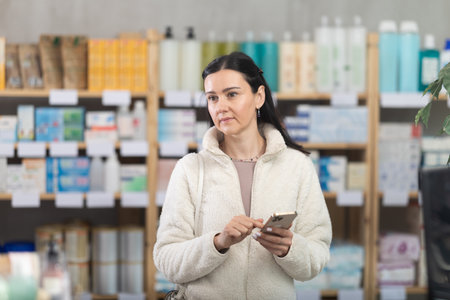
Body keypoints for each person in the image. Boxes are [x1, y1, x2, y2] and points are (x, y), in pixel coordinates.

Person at [154, 51, 332, 299]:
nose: (221, 107)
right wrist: (218, 242)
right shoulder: (190, 169)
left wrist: (289, 248)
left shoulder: (297, 166)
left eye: (232, 94)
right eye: (212, 98)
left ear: (259, 96)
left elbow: (317, 256)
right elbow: (167, 260)